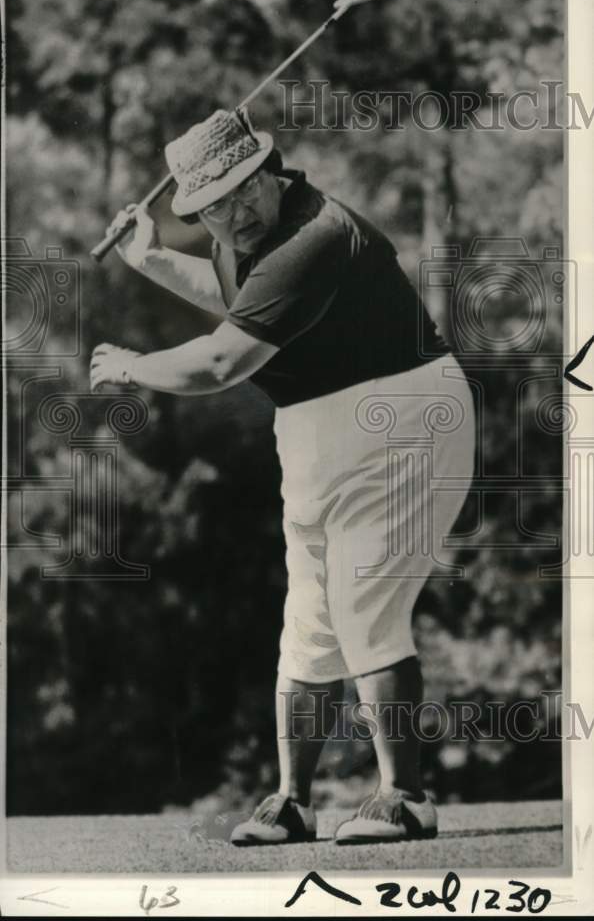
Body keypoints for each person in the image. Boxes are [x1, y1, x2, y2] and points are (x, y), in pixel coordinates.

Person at [91, 108, 475, 846]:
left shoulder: (316, 237)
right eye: (210, 207)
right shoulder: (255, 241)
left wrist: (133, 365)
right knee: (309, 620)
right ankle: (294, 801)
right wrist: (150, 258)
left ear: (271, 171)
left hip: (401, 414)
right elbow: (243, 300)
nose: (230, 215)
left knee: (365, 598)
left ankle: (407, 797)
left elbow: (221, 361)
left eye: (241, 192)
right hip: (316, 424)